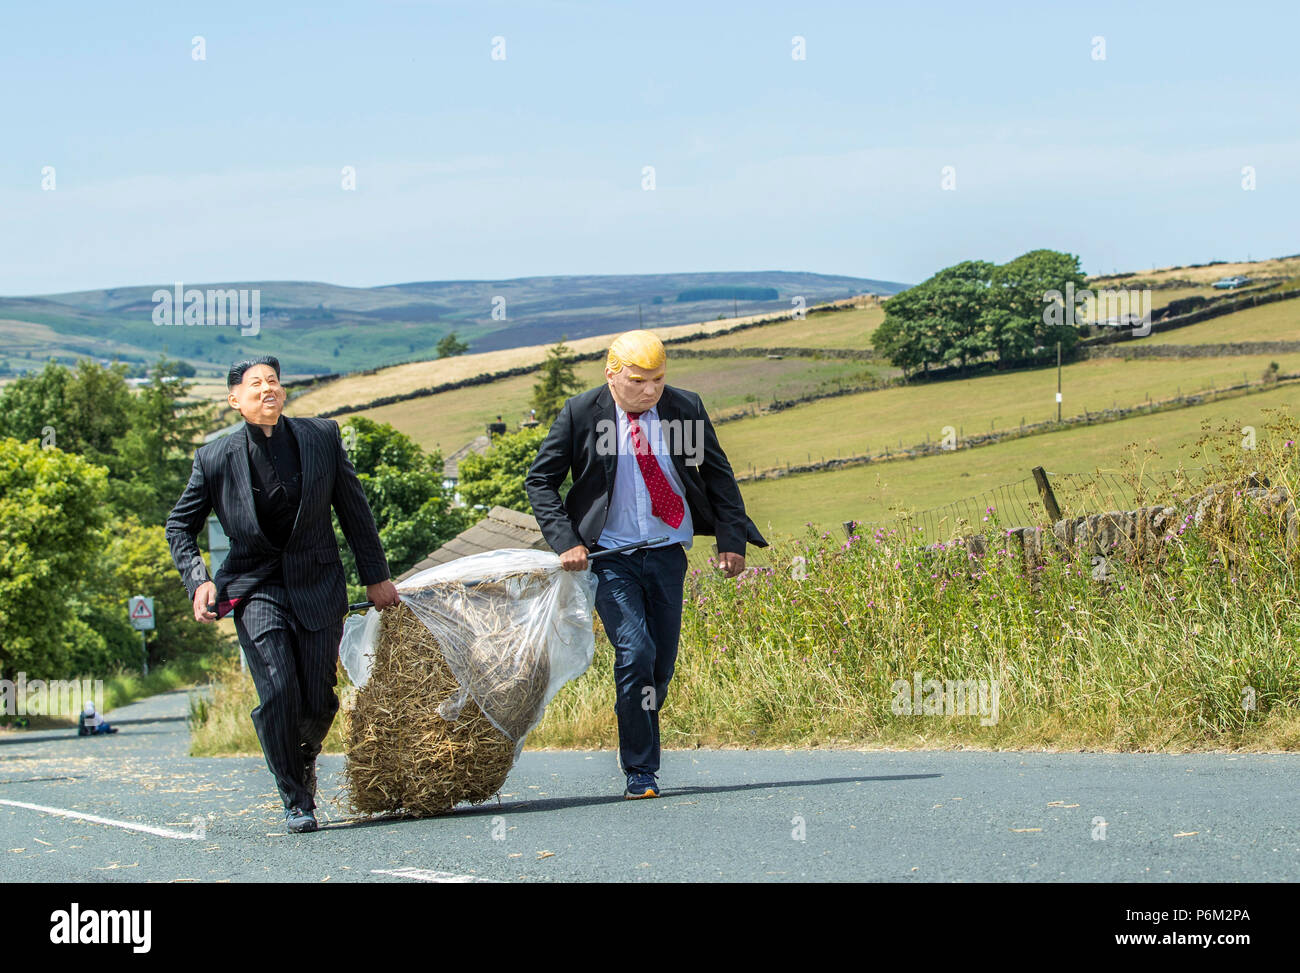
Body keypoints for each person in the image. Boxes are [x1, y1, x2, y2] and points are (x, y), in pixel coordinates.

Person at [525, 331, 767, 799]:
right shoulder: (581, 414)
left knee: (660, 664)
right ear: (612, 374)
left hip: (665, 553)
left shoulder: (684, 409)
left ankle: (640, 724)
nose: (650, 390)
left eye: (658, 379)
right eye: (638, 380)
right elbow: (541, 482)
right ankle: (641, 770)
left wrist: (730, 541)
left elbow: (717, 475)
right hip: (610, 557)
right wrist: (566, 542)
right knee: (635, 652)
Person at [166, 356, 400, 834]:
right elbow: (179, 526)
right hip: (253, 587)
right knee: (277, 690)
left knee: (318, 699)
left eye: (273, 381)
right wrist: (199, 579)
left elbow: (355, 512)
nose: (267, 389)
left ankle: (303, 755)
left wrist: (376, 576)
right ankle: (295, 795)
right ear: (235, 400)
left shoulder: (321, 438)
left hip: (318, 581)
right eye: (256, 385)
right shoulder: (214, 458)